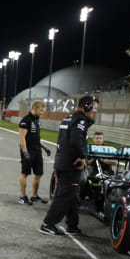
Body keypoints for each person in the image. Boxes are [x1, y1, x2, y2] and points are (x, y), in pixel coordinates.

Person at [41, 96, 98, 236]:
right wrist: (82, 156)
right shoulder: (80, 119)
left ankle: (72, 225)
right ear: (88, 107)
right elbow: (75, 140)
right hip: (71, 164)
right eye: (95, 109)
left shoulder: (70, 117)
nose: (96, 112)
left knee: (74, 195)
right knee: (65, 196)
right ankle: (48, 223)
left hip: (63, 162)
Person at [18, 100, 49, 205]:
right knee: (25, 173)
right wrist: (25, 152)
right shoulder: (25, 120)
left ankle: (34, 196)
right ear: (34, 108)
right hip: (28, 150)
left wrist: (45, 147)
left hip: (37, 151)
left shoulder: (37, 120)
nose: (42, 112)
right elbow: (22, 138)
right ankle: (22, 197)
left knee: (38, 174)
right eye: (41, 110)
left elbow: (36, 137)